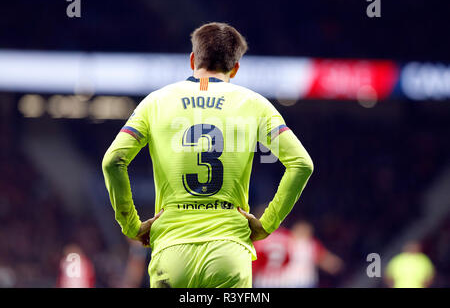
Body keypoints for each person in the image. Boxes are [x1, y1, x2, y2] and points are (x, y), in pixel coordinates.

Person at [102, 22, 314, 288]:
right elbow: (301, 164)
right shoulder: (256, 105)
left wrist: (131, 225)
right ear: (235, 68)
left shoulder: (156, 102)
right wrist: (267, 224)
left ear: (193, 60)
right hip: (229, 253)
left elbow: (113, 161)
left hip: (172, 250)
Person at [253, 220, 343, 288]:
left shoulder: (288, 241)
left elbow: (327, 260)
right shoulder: (306, 244)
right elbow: (328, 261)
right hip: (294, 282)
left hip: (297, 282)